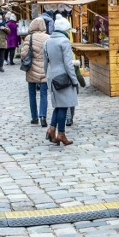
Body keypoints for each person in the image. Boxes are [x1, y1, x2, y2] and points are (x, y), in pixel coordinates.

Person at [43, 14, 78, 146]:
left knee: (58, 105)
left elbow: (45, 64)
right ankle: (61, 134)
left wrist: (47, 78)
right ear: (64, 30)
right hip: (63, 77)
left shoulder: (47, 42)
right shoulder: (64, 42)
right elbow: (68, 64)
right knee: (63, 106)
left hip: (52, 76)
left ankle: (52, 129)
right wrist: (74, 80)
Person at [20, 18, 50, 126]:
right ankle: (43, 116)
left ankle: (34, 117)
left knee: (32, 94)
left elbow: (23, 54)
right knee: (44, 94)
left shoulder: (29, 37)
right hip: (45, 69)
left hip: (31, 69)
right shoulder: (48, 37)